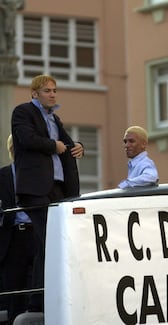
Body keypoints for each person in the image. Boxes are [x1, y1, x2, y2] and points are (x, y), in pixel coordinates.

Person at [11, 74, 84, 312]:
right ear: (34, 94)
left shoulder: (55, 119)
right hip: (35, 188)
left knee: (54, 242)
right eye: (47, 91)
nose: (52, 94)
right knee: (48, 241)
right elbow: (27, 139)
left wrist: (77, 147)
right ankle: (38, 301)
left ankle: (43, 298)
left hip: (57, 188)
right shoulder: (23, 112)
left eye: (54, 90)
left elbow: (67, 144)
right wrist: (54, 146)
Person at [0, 135, 36, 323]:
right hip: (12, 236)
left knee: (37, 288)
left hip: (36, 234)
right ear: (12, 149)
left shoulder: (39, 174)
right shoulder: (2, 175)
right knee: (15, 291)